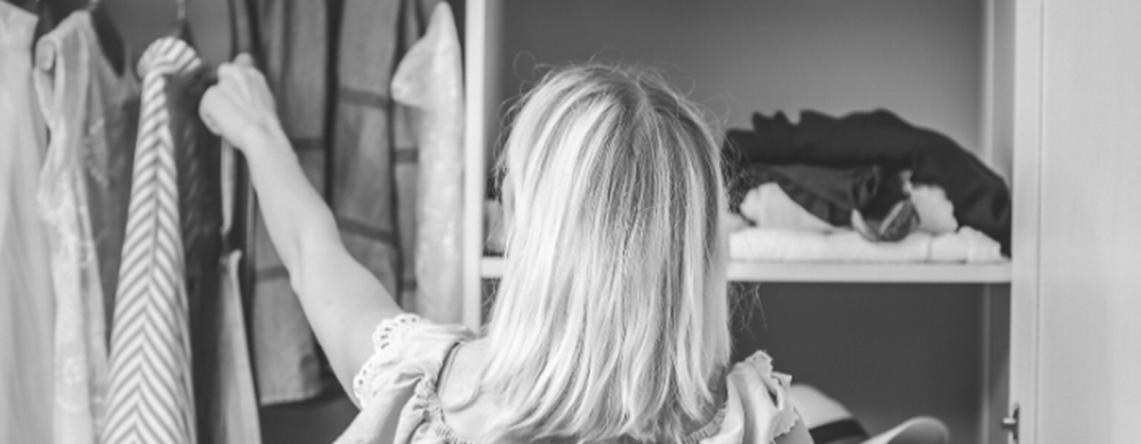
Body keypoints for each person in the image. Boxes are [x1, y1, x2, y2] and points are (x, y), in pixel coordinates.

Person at [200, 56, 813, 444]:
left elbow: (313, 256)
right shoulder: (756, 422)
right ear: (697, 244)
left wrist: (257, 131)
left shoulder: (425, 398)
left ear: (526, 226)